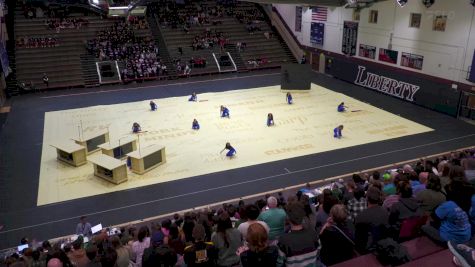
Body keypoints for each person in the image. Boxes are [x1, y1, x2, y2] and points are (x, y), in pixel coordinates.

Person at [276, 202, 321, 267]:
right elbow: (318, 253)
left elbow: (279, 263)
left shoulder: (283, 240)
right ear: (303, 217)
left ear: (288, 218)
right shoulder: (314, 234)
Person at [354, 187, 389, 253]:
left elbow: (358, 239)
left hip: (369, 248)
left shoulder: (361, 216)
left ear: (367, 198)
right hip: (383, 244)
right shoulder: (385, 211)